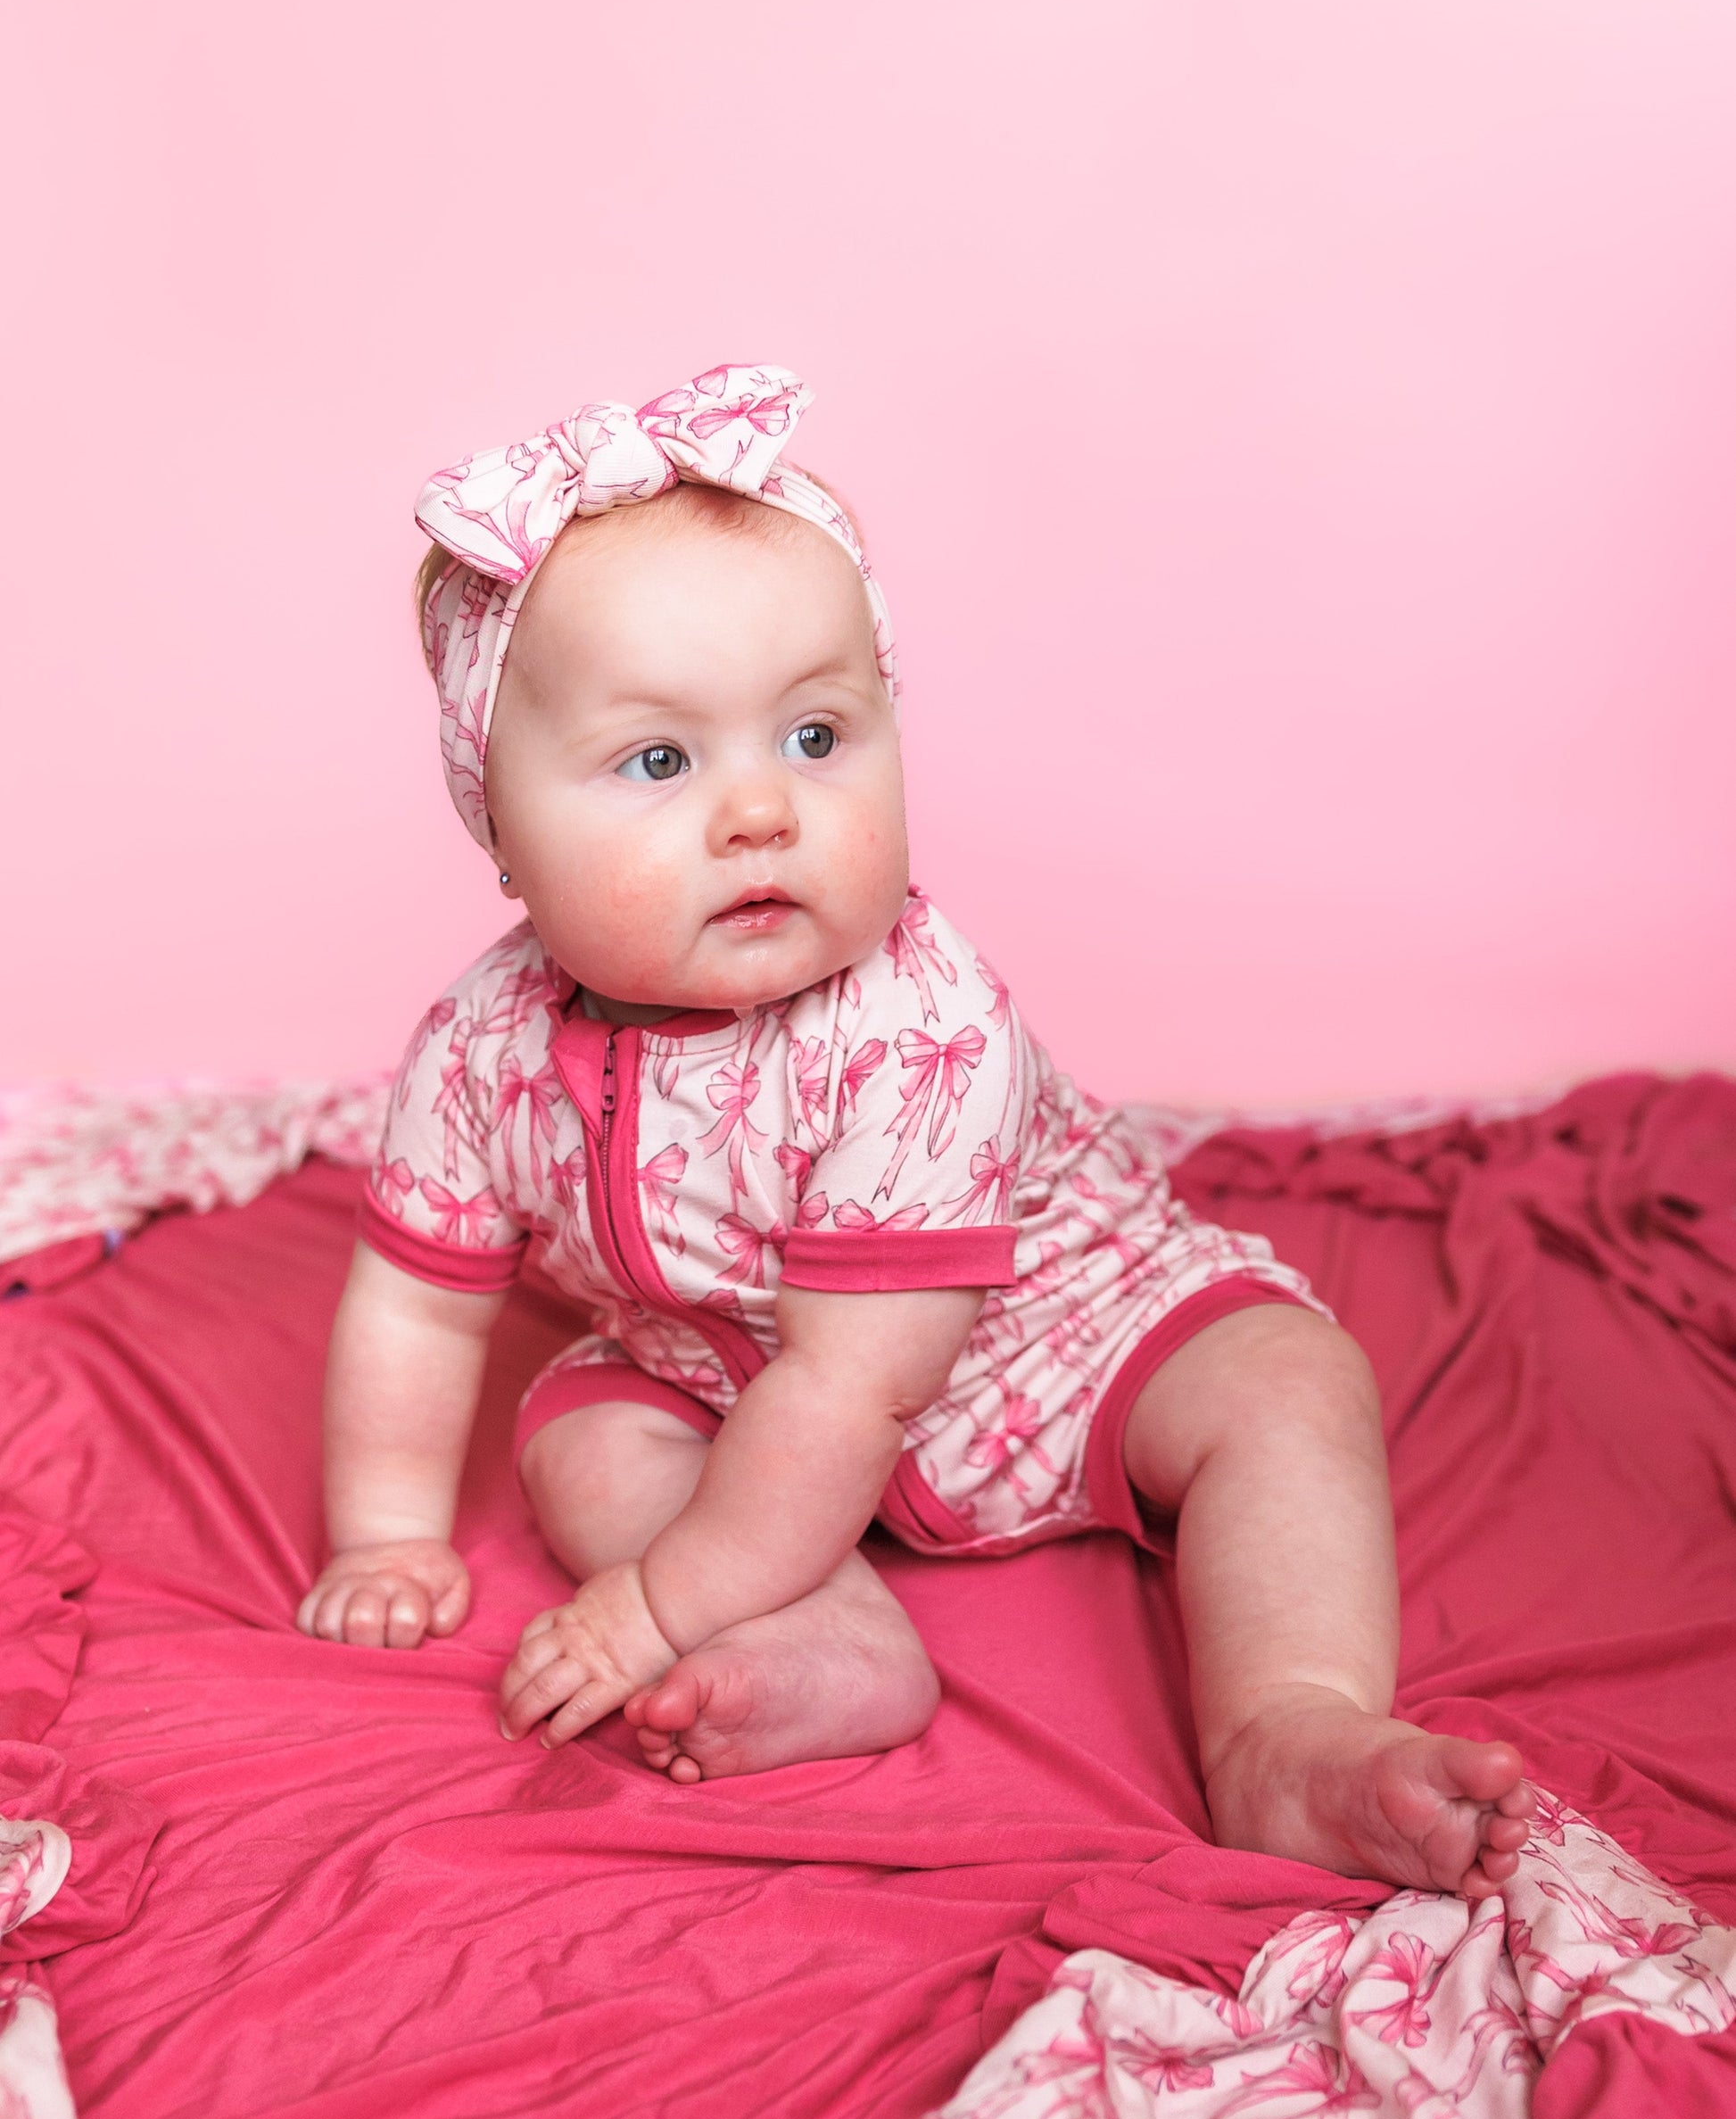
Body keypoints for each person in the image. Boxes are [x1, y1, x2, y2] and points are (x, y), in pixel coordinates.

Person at [300, 362, 1533, 1899]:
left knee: (1286, 1383)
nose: (761, 812)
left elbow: (853, 1383)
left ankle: (1288, 1728)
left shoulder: (918, 1021)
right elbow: (417, 1303)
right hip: (719, 1371)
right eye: (661, 762)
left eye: (816, 737)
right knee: (584, 1437)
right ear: (499, 829)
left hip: (1054, 1339)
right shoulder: (483, 1041)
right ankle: (828, 1638)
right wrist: (385, 1533)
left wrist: (657, 1608)